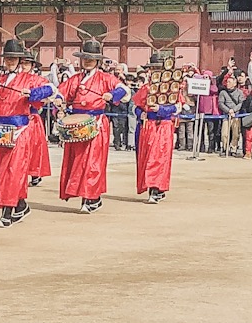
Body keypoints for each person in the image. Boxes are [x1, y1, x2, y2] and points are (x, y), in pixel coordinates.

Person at [0, 38, 53, 226]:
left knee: (13, 170)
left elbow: (51, 89)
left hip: (20, 130)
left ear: (20, 60)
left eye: (14, 58)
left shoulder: (30, 79)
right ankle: (20, 205)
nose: (10, 61)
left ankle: (7, 211)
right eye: (8, 59)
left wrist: (32, 94)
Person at [57, 37, 125, 212]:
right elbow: (60, 92)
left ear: (97, 60)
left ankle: (92, 197)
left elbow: (124, 90)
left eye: (91, 58)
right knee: (78, 161)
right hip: (76, 123)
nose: (87, 61)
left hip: (96, 123)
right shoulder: (75, 79)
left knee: (93, 161)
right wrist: (59, 100)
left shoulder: (105, 78)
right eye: (85, 57)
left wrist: (112, 95)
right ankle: (85, 195)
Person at [132, 70, 179, 202]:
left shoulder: (172, 88)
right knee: (147, 157)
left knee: (159, 157)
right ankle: (151, 187)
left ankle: (156, 188)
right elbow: (137, 106)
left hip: (163, 126)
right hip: (148, 126)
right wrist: (140, 114)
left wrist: (162, 109)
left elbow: (177, 107)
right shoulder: (145, 88)